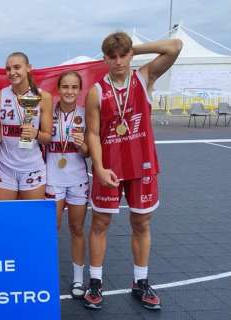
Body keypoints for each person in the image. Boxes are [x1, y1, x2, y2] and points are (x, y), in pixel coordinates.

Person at [83, 32, 182, 310]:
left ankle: (140, 282)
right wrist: (99, 169)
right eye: (112, 56)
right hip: (109, 169)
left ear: (129, 56)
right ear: (104, 59)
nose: (118, 62)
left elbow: (175, 46)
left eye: (122, 55)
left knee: (141, 223)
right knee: (100, 223)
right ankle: (95, 282)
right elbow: (92, 134)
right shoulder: (96, 91)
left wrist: (134, 49)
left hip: (143, 165)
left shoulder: (144, 77)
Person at [45, 71, 89, 299]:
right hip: (52, 178)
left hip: (78, 179)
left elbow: (90, 152)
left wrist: (82, 146)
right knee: (51, 230)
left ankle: (78, 279)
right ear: (58, 89)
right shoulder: (47, 111)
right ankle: (46, 276)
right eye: (65, 87)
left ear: (79, 90)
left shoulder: (85, 114)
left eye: (74, 87)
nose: (69, 92)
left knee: (77, 229)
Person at [0, 52, 52, 200]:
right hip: (5, 167)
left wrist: (35, 134)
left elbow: (47, 138)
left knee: (30, 218)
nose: (12, 72)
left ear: (28, 68)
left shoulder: (44, 97)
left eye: (17, 67)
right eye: (8, 69)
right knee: (5, 219)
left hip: (32, 167)